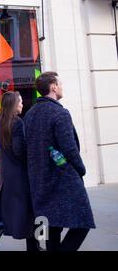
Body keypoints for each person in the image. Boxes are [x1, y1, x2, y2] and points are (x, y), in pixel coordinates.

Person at [23, 71, 95, 251]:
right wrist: (81, 169)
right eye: (60, 83)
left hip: (39, 180)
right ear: (53, 87)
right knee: (82, 222)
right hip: (62, 178)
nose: (62, 87)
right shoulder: (60, 113)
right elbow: (69, 149)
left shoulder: (30, 114)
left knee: (51, 227)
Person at [0, 91, 39, 251]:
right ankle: (34, 245)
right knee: (29, 211)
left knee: (10, 209)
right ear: (13, 104)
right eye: (20, 102)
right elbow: (19, 151)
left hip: (7, 173)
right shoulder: (17, 123)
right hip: (20, 174)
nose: (22, 104)